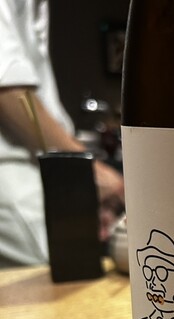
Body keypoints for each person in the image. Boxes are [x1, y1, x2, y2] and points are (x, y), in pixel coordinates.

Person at [0, 0, 124, 268]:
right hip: (13, 174)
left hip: (40, 169)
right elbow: (8, 89)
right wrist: (87, 169)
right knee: (63, 276)